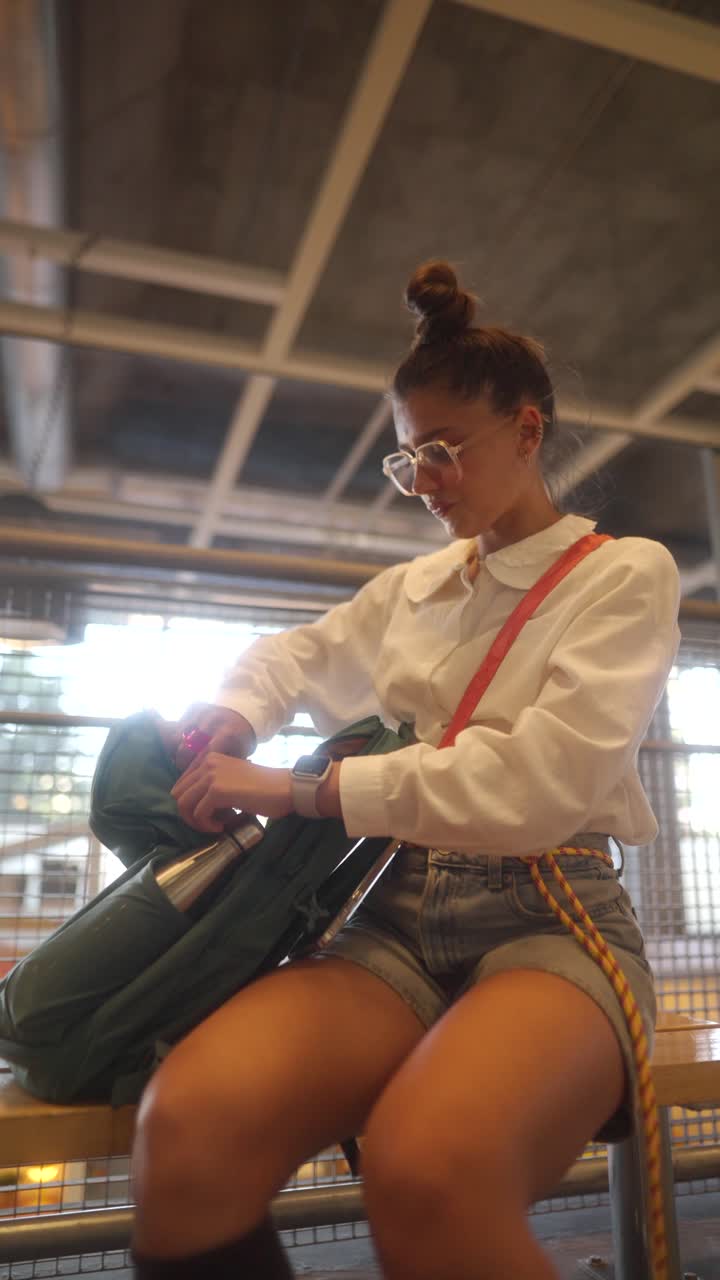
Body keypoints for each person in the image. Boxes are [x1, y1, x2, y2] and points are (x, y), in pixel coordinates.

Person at [131, 261, 680, 1280]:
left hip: (552, 911)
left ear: (526, 430)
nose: (423, 479)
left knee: (429, 1174)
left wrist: (300, 788)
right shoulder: (415, 585)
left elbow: (537, 786)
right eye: (405, 458)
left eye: (441, 449)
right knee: (185, 1126)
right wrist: (237, 711)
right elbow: (298, 653)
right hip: (399, 907)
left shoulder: (622, 572)